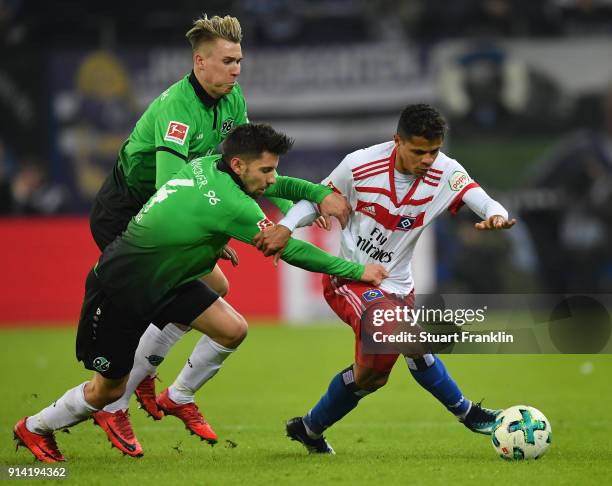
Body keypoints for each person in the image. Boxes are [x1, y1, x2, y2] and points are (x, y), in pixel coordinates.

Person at [13, 123, 389, 463]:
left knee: (231, 328)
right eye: (266, 170)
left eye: (274, 168)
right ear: (239, 166)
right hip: (119, 290)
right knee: (105, 393)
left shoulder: (210, 163)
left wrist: (316, 193)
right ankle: (35, 427)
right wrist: (358, 270)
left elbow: (283, 185)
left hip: (166, 280)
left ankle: (176, 396)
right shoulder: (231, 203)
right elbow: (290, 249)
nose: (273, 180)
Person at [86, 14, 305, 454]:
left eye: (239, 60)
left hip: (174, 214)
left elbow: (246, 167)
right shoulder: (176, 108)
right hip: (131, 216)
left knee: (211, 289)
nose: (236, 70)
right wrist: (206, 224)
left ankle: (141, 378)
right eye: (227, 61)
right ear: (199, 62)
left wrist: (291, 210)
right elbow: (170, 189)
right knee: (173, 305)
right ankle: (114, 403)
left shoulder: (233, 100)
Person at [253, 104, 516, 454]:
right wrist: (285, 227)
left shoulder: (446, 172)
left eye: (434, 151)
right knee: (410, 340)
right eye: (419, 151)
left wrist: (497, 215)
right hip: (349, 279)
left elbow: (480, 198)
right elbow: (315, 200)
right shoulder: (360, 164)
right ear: (397, 141)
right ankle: (468, 413)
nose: (427, 159)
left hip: (398, 286)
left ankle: (310, 429)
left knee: (371, 377)